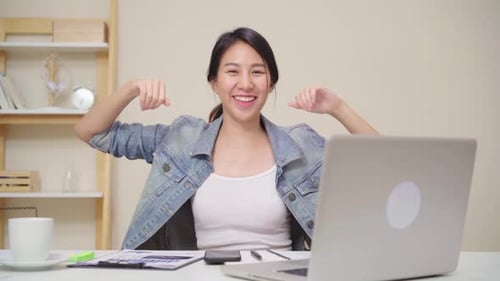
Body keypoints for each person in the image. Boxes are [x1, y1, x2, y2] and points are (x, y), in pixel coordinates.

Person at [74, 27, 378, 251]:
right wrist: (131, 88)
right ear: (215, 83)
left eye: (257, 72)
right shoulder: (181, 139)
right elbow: (90, 132)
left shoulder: (300, 144)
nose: (245, 84)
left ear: (270, 83)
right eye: (232, 72)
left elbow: (379, 163)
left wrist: (337, 107)